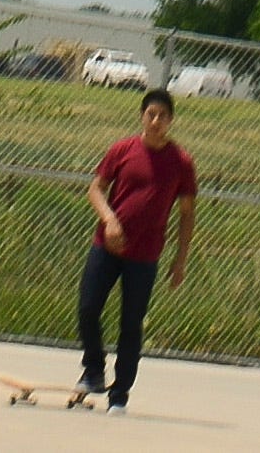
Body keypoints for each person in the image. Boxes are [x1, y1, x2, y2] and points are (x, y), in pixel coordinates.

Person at [80, 84, 200, 405]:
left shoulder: (181, 162)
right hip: (108, 247)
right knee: (89, 307)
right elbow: (95, 189)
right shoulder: (123, 150)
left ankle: (120, 392)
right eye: (151, 114)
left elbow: (187, 214)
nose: (156, 121)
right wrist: (109, 219)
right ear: (142, 116)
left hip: (144, 255)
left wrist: (180, 260)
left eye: (163, 116)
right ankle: (93, 371)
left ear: (171, 120)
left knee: (131, 323)